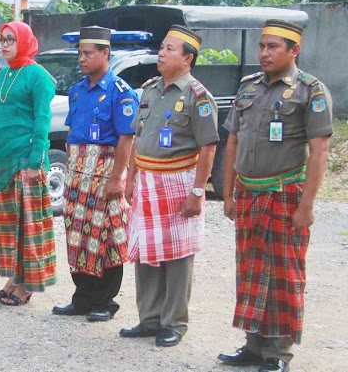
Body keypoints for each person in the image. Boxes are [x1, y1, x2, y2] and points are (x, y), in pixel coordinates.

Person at [218, 20, 333, 372]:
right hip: (249, 194)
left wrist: (307, 205)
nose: (264, 53)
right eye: (262, 46)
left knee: (283, 273)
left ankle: (278, 354)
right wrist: (228, 194)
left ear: (294, 50)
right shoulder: (248, 87)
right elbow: (233, 142)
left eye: (273, 47)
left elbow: (320, 151)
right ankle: (253, 345)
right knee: (250, 271)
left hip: (285, 193)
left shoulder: (310, 91)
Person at [122, 25, 219, 347]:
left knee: (178, 256)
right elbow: (138, 138)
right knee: (146, 252)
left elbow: (208, 147)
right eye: (161, 47)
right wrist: (131, 177)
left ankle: (174, 323)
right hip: (148, 179)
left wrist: (197, 191)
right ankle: (148, 319)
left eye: (169, 49)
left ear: (188, 58)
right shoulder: (149, 89)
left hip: (179, 182)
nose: (161, 53)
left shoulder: (197, 96)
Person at [52, 26, 137, 322]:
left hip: (104, 172)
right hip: (77, 173)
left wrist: (117, 178)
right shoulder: (77, 90)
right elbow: (72, 134)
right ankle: (82, 297)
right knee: (77, 235)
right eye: (80, 54)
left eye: (88, 53)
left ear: (105, 54)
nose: (82, 59)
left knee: (106, 236)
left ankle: (105, 300)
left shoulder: (120, 92)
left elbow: (127, 138)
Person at [0, 21, 57, 306]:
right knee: (9, 226)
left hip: (27, 160)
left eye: (11, 40)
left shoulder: (38, 76)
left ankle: (28, 284)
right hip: (3, 159)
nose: (5, 45)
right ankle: (14, 278)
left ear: (25, 42)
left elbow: (43, 120)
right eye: (2, 40)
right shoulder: (3, 74)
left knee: (30, 226)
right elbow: (0, 119)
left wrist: (35, 161)